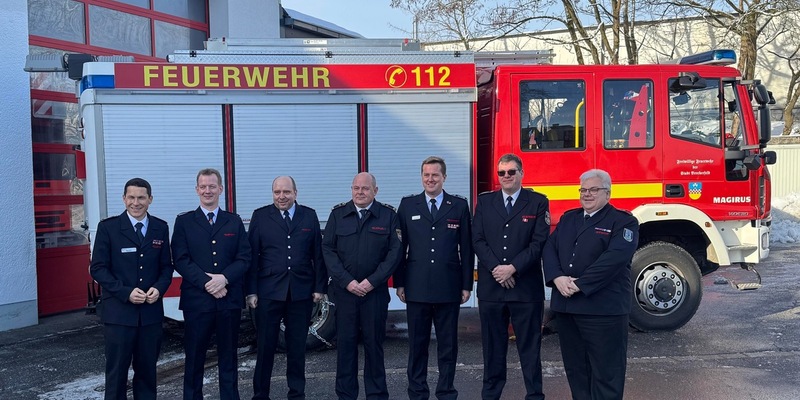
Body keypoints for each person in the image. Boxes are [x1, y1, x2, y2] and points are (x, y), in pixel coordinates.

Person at [542, 169, 639, 400]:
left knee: (607, 374)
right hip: (568, 310)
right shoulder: (569, 218)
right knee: (577, 373)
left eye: (594, 190)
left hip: (603, 311)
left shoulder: (624, 221)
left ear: (608, 193)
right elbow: (549, 248)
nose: (587, 194)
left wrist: (580, 284)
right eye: (583, 190)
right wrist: (557, 278)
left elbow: (614, 259)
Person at [393, 156, 473, 400]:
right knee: (417, 346)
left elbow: (467, 248)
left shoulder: (458, 206)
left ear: (444, 177)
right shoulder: (408, 205)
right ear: (421, 177)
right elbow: (399, 248)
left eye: (435, 175)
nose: (430, 179)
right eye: (426, 175)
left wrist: (466, 285)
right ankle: (417, 392)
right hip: (416, 287)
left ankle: (446, 391)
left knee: (448, 346)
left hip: (449, 287)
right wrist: (399, 282)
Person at [472, 153, 550, 400]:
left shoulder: (537, 202)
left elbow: (539, 242)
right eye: (501, 173)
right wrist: (498, 269)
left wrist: (513, 268)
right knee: (492, 350)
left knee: (530, 349)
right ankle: (491, 395)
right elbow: (477, 239)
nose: (506, 176)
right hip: (492, 289)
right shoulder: (485, 202)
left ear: (521, 173)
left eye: (511, 172)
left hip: (525, 289)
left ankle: (534, 395)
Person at [322, 172, 403, 400]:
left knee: (374, 347)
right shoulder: (338, 215)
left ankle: (376, 394)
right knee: (345, 347)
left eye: (365, 188)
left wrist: (371, 282)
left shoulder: (388, 216)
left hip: (374, 294)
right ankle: (346, 395)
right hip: (345, 294)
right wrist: (347, 281)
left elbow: (394, 253)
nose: (360, 192)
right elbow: (328, 250)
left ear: (375, 191)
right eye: (356, 188)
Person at [90, 178, 173, 400]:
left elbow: (166, 267)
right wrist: (125, 292)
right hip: (119, 315)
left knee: (147, 373)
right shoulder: (108, 228)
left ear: (150, 199)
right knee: (117, 374)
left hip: (150, 315)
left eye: (141, 198)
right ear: (124, 198)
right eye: (131, 197)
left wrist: (159, 288)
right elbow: (98, 268)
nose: (136, 203)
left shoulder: (160, 227)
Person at [172, 168, 251, 400]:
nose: (208, 191)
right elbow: (180, 259)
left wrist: (224, 278)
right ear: (197, 190)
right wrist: (208, 282)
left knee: (229, 358)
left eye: (212, 186)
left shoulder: (233, 221)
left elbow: (244, 258)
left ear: (221, 189)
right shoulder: (184, 221)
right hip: (197, 302)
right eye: (203, 187)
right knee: (194, 358)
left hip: (229, 300)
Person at [246, 176, 327, 400]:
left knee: (297, 348)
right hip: (268, 292)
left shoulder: (308, 215)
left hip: (301, 292)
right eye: (277, 192)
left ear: (295, 193)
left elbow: (318, 254)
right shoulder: (261, 216)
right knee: (265, 347)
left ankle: (297, 394)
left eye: (286, 192)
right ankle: (260, 395)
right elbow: (252, 256)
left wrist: (319, 287)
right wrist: (251, 291)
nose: (281, 197)